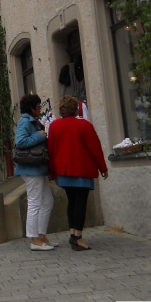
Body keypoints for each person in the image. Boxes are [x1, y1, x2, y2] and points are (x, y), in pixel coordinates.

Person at [48, 95, 109, 251]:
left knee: (72, 202)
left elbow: (51, 150)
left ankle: (73, 234)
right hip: (81, 170)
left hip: (64, 171)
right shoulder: (84, 126)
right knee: (80, 203)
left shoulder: (54, 126)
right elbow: (95, 149)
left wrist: (52, 171)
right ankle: (78, 237)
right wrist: (103, 168)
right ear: (76, 109)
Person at [15, 94, 55, 252]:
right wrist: (39, 136)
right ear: (31, 108)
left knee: (47, 201)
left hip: (36, 168)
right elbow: (21, 142)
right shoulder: (25, 121)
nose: (40, 109)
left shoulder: (31, 120)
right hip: (31, 168)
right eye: (38, 107)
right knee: (35, 202)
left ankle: (41, 235)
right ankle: (34, 239)